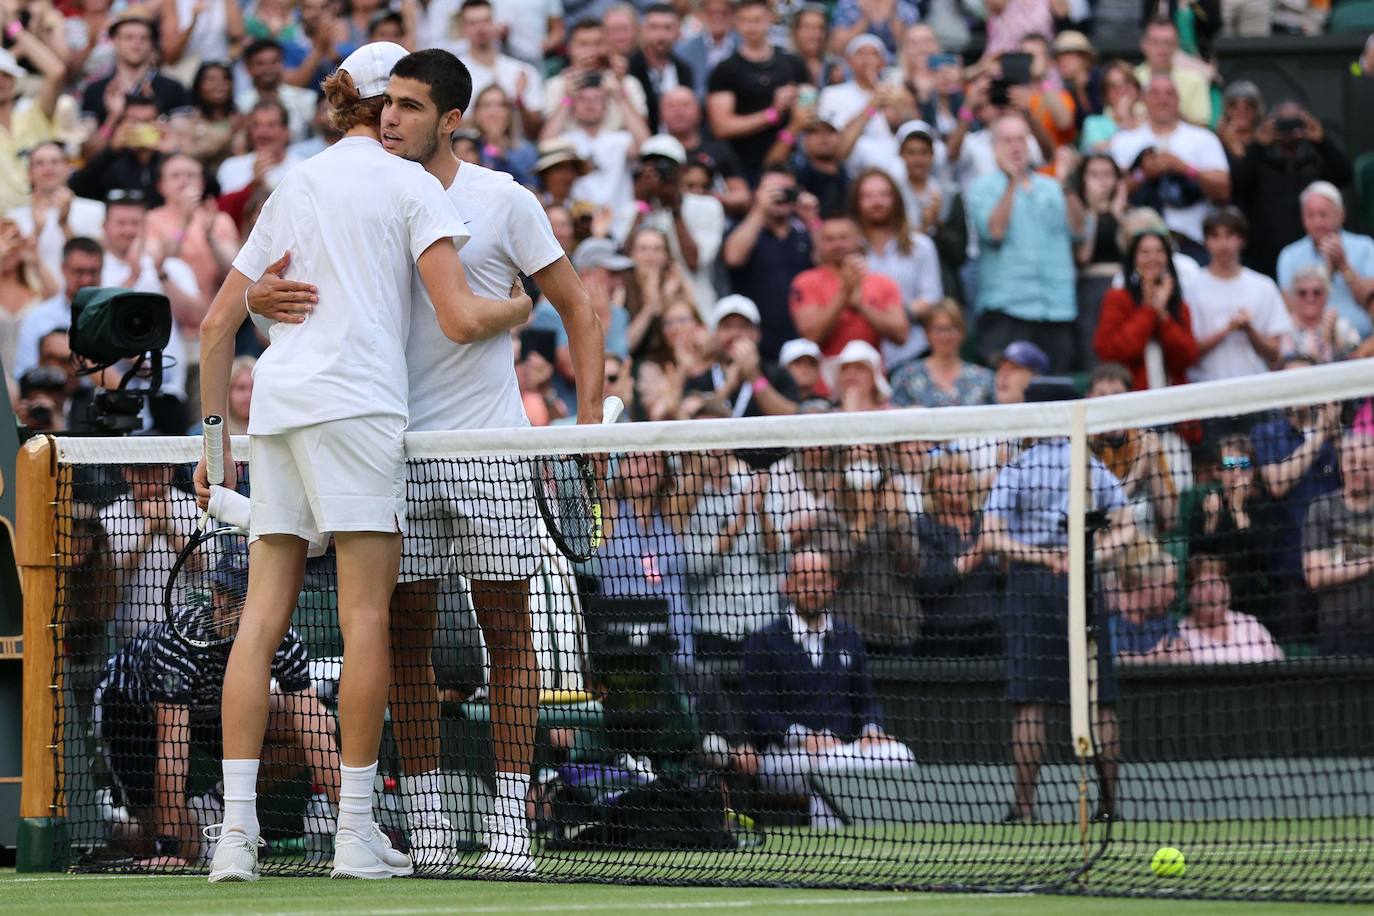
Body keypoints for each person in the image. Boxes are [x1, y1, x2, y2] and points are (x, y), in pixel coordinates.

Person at [246, 47, 601, 874]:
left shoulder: (502, 200)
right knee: (403, 638)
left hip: (487, 447)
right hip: (390, 446)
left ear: (451, 119)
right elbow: (276, 299)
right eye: (386, 104)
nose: (390, 118)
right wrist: (258, 298)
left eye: (408, 105)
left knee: (507, 629)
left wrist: (589, 439)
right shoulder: (356, 194)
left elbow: (580, 311)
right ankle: (435, 825)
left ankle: (512, 824)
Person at [194, 42, 529, 883]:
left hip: (276, 411)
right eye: (401, 102)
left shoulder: (295, 184)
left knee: (261, 619)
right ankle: (352, 833)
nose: (401, 116)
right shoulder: (411, 183)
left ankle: (235, 841)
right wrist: (518, 309)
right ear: (385, 106)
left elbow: (211, 330)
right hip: (359, 411)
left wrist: (211, 455)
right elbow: (456, 317)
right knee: (368, 620)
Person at [95, 568, 338, 867]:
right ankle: (117, 824)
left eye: (238, 597)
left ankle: (215, 804)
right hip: (133, 715)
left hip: (215, 706)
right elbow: (172, 745)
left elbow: (312, 723)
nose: (223, 603)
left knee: (322, 722)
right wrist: (168, 847)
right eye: (222, 592)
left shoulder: (282, 640)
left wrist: (352, 818)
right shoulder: (180, 640)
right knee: (183, 849)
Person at [979, 425, 1133, 824]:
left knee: (1030, 699)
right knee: (1098, 698)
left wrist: (1041, 556)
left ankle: (1024, 809)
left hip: (1033, 582)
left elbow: (992, 537)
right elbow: (1126, 525)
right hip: (1079, 580)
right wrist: (1087, 557)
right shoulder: (1090, 465)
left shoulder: (1017, 467)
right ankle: (1108, 807)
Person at [738, 549, 915, 829]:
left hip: (847, 749)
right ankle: (833, 851)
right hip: (784, 758)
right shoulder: (764, 641)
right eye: (804, 580)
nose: (812, 589)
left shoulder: (849, 636)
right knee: (831, 766)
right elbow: (758, 712)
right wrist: (804, 738)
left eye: (820, 580)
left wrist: (872, 730)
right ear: (786, 586)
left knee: (899, 756)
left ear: (833, 585)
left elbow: (866, 699)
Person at [966, 113, 1082, 373]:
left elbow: (1080, 231)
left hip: (1057, 308)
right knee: (1009, 400)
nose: (1016, 147)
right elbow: (994, 232)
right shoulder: (982, 188)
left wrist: (1066, 185)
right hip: (1008, 309)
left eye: (1021, 139)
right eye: (1007, 141)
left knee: (1057, 397)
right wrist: (1011, 183)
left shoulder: (1052, 187)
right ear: (995, 148)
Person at [1251, 382, 1343, 644]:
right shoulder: (1267, 432)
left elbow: (1359, 478)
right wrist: (1320, 436)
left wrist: (1334, 435)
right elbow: (1278, 483)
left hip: (1337, 563)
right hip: (1289, 564)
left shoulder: (1336, 436)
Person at [1109, 74, 1230, 262]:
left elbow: (1223, 190)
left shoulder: (1204, 138)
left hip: (1193, 241)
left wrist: (1186, 169)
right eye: (1155, 94)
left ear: (1178, 99)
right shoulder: (1124, 140)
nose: (1163, 99)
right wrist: (1144, 175)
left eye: (1169, 94)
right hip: (1139, 245)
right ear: (1144, 99)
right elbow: (1111, 195)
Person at [1234, 108, 1353, 279]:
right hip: (1264, 258)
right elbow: (1237, 184)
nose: (1288, 130)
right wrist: (1257, 145)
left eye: (1295, 123)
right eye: (1281, 123)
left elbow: (1345, 176)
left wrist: (1322, 141)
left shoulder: (1315, 157)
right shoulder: (1260, 158)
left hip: (1311, 256)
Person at [1185, 433, 1286, 626]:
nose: (1237, 474)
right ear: (1218, 471)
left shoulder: (1264, 507)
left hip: (1253, 604)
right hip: (1211, 602)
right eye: (1230, 466)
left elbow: (1261, 559)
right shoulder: (1206, 506)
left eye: (1244, 466)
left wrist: (1238, 511)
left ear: (1254, 471)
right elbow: (1195, 562)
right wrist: (1211, 522)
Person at [1182, 208, 1290, 383]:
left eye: (1229, 235)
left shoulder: (1264, 286)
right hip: (1206, 388)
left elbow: (1275, 352)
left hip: (1257, 387)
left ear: (1241, 240)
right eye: (1215, 236)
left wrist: (1250, 330)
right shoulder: (1191, 288)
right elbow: (1188, 351)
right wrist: (1227, 329)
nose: (1223, 244)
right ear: (1206, 241)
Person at [705, 0, 808, 184]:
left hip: (790, 160)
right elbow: (721, 127)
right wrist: (772, 114)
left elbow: (808, 108)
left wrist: (797, 100)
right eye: (744, 20)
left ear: (770, 19)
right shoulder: (726, 69)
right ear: (736, 23)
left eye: (757, 20)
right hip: (743, 164)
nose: (751, 27)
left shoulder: (793, 64)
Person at [852, 168, 942, 373]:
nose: (877, 202)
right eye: (868, 196)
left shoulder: (921, 246)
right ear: (856, 202)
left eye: (884, 195)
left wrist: (894, 315)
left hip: (912, 352)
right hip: (860, 355)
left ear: (897, 200)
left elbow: (932, 299)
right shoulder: (848, 250)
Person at [915, 446, 1001, 657]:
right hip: (945, 639)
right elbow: (928, 581)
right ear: (932, 484)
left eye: (961, 472)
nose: (957, 479)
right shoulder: (923, 526)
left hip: (993, 634)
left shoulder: (985, 520)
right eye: (947, 474)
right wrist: (980, 549)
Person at [722, 167, 813, 360]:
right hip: (755, 339)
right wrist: (760, 210)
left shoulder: (804, 233)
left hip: (800, 341)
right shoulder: (744, 228)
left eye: (786, 190)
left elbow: (826, 263)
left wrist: (812, 218)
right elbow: (733, 257)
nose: (780, 195)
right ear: (756, 194)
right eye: (772, 190)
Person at [1093, 227, 1199, 390]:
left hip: (1174, 400)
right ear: (1134, 259)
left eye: (1159, 252)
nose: (1152, 258)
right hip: (1132, 396)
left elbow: (1187, 358)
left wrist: (1163, 315)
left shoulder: (1179, 305)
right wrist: (1148, 311)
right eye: (1145, 252)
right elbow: (1111, 353)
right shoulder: (1117, 298)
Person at [790, 213, 908, 358]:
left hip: (869, 374)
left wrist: (862, 306)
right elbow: (811, 337)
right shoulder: (805, 282)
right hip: (822, 375)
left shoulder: (883, 282)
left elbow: (901, 335)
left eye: (843, 237)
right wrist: (844, 293)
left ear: (858, 239)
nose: (837, 244)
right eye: (829, 239)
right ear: (819, 243)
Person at [1085, 363, 1178, 535]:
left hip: (1144, 545)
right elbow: (1099, 513)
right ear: (1089, 398)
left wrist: (1153, 465)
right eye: (1102, 394)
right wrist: (1136, 473)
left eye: (1116, 394)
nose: (1109, 401)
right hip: (1100, 543)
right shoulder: (1082, 446)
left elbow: (1169, 519)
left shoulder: (1145, 442)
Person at [1302, 434, 1374, 656]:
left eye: (1366, 464)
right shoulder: (1321, 509)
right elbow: (1315, 574)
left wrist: (1338, 555)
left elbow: (1327, 563)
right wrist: (1370, 558)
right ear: (1341, 463)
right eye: (1351, 462)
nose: (1357, 470)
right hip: (1338, 634)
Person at [80, 15, 191, 157]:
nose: (136, 43)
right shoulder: (95, 90)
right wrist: (113, 117)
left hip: (159, 170)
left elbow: (183, 146)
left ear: (152, 44)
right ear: (114, 41)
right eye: (128, 37)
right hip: (109, 173)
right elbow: (88, 152)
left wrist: (155, 111)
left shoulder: (173, 87)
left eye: (143, 38)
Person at [1276, 181, 1374, 341]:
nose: (1317, 222)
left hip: (1365, 343)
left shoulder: (1365, 247)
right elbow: (1290, 310)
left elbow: (1369, 301)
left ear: (1341, 214)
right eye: (1310, 215)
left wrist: (1343, 266)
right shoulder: (1289, 256)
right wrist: (1325, 275)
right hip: (1312, 350)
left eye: (1323, 215)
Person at [145, 154, 242, 306]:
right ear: (161, 186)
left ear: (202, 183)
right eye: (175, 176)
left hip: (215, 308)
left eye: (191, 175)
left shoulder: (219, 219)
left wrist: (210, 239)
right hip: (171, 308)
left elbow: (234, 270)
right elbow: (158, 266)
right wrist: (184, 222)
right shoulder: (151, 219)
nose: (184, 181)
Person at [682, 295, 798, 418]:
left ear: (757, 334)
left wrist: (755, 377)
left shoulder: (777, 374)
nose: (735, 334)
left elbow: (793, 418)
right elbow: (691, 418)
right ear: (714, 334)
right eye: (727, 326)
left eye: (743, 326)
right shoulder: (699, 378)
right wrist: (728, 387)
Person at [7, 144, 105, 282]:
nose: (48, 168)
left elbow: (99, 261)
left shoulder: (96, 210)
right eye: (40, 163)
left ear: (67, 169)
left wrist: (64, 225)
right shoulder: (13, 217)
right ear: (29, 174)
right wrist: (37, 230)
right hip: (34, 297)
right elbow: (11, 267)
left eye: (55, 162)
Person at [12, 237, 103, 378]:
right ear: (63, 269)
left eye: (93, 272)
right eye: (79, 272)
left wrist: (72, 351)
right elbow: (25, 377)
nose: (87, 280)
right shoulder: (38, 318)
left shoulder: (115, 317)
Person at [454, 0, 544, 139]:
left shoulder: (523, 71)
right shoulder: (453, 73)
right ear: (463, 29)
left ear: (496, 24)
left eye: (486, 21)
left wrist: (519, 101)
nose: (480, 28)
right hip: (470, 152)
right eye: (472, 23)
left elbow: (536, 130)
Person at [543, 19, 649, 135]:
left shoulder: (628, 83)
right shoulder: (555, 85)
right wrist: (567, 98)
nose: (591, 51)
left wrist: (620, 94)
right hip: (568, 150)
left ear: (608, 46)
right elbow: (546, 143)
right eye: (583, 44)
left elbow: (643, 141)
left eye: (598, 44)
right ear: (570, 48)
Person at [1178, 554, 1285, 663]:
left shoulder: (1249, 624)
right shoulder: (1179, 636)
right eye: (1202, 586)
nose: (1212, 592)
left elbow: (1279, 661)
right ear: (1189, 594)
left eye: (1217, 584)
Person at [890, 299, 995, 408]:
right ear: (927, 333)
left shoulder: (983, 379)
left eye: (951, 328)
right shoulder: (907, 376)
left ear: (962, 332)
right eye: (939, 329)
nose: (945, 336)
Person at [1106, 539, 1180, 664]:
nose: (1173, 595)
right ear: (1148, 583)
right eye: (1170, 586)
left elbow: (1181, 653)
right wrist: (1151, 660)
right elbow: (1110, 662)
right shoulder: (1111, 619)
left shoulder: (1164, 622)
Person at [236, 39, 320, 145]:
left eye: (274, 62)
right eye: (260, 63)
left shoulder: (305, 98)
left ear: (282, 63)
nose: (268, 68)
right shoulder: (240, 104)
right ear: (248, 68)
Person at [217, 101, 309, 195]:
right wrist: (254, 185)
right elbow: (228, 208)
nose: (262, 132)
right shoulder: (231, 167)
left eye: (271, 125)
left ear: (286, 132)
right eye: (256, 125)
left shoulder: (303, 169)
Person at [1133, 18, 1211, 128]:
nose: (1162, 49)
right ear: (1144, 45)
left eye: (1168, 43)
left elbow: (1202, 128)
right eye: (1155, 42)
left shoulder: (1195, 80)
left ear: (1177, 45)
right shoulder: (1129, 79)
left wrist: (1168, 113)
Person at [628, 4, 693, 135]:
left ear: (678, 31)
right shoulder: (629, 68)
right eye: (654, 27)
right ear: (643, 30)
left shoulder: (684, 70)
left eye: (668, 28)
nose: (661, 35)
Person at [1286, 266, 1368, 364]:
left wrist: (1335, 339)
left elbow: (1358, 360)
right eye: (1302, 293)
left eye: (1317, 292)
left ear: (1326, 295)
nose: (1310, 298)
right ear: (1293, 296)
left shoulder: (1342, 326)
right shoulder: (1285, 329)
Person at [468, 85, 539, 187]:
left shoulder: (525, 151)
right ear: (476, 113)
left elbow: (531, 187)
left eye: (501, 105)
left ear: (509, 113)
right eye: (487, 105)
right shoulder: (465, 147)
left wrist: (503, 156)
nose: (494, 112)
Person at [825, 339, 891, 412]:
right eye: (845, 368)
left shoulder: (893, 414)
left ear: (873, 378)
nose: (851, 373)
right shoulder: (825, 416)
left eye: (860, 368)